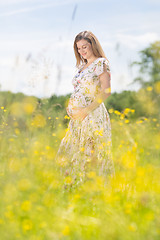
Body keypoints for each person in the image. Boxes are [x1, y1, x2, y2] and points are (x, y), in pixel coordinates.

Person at [55, 30, 115, 188]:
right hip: (77, 119)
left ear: (92, 45)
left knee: (90, 155)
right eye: (78, 48)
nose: (81, 51)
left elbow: (106, 91)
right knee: (68, 153)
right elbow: (78, 90)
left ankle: (93, 192)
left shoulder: (101, 63)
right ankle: (73, 189)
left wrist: (85, 110)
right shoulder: (82, 66)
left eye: (84, 47)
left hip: (92, 115)